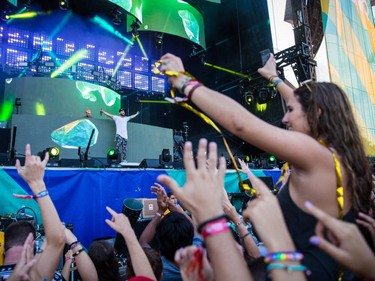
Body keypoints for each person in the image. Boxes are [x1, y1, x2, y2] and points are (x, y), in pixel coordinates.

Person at [158, 53, 374, 280]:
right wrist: (274, 78)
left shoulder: (316, 155)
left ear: (317, 115)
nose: (284, 119)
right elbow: (308, 106)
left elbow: (240, 124)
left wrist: (183, 81)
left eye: (290, 111)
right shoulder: (339, 158)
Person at [1, 144, 66, 281]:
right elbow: (58, 239)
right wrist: (37, 184)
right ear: (33, 246)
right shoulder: (41, 275)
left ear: (3, 250)